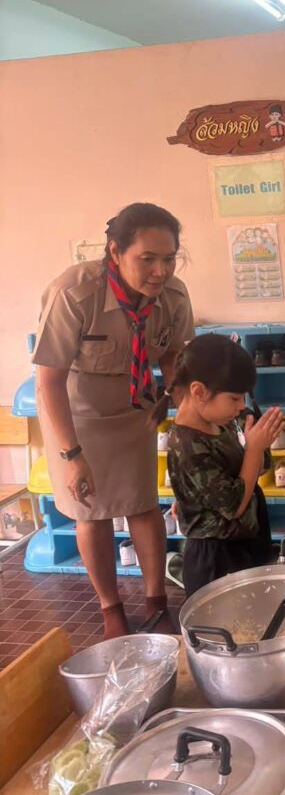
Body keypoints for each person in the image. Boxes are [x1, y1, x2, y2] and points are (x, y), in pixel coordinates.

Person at [33, 203, 195, 639]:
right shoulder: (75, 293)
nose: (160, 271)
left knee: (143, 503)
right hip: (76, 414)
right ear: (115, 252)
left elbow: (173, 357)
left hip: (135, 407)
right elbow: (49, 381)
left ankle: (157, 603)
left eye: (169, 258)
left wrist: (185, 415)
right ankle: (111, 609)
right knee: (91, 511)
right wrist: (72, 455)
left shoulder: (174, 296)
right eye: (148, 258)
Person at [155, 334, 284, 597]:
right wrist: (254, 449)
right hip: (217, 557)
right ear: (199, 392)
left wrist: (258, 446)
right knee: (230, 617)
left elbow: (252, 468)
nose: (241, 406)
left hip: (244, 540)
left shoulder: (219, 422)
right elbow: (233, 506)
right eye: (234, 399)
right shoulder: (188, 444)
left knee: (257, 609)